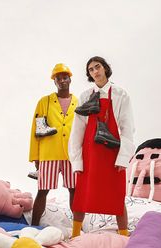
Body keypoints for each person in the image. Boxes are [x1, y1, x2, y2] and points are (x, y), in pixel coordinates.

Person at [69, 56, 135, 237]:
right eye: (91, 70)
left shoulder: (121, 95)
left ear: (105, 68)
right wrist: (77, 161)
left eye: (97, 67)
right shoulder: (85, 97)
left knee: (116, 194)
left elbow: (127, 129)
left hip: (112, 155)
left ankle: (124, 235)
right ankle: (75, 234)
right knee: (82, 194)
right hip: (89, 155)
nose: (95, 71)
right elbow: (77, 131)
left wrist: (123, 158)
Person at [29, 63, 77, 225]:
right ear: (54, 81)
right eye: (58, 78)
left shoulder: (79, 102)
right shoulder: (45, 102)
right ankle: (34, 226)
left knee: (74, 191)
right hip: (49, 154)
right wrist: (35, 157)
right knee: (43, 191)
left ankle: (77, 228)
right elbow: (36, 129)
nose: (62, 81)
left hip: (72, 155)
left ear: (70, 79)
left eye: (65, 78)